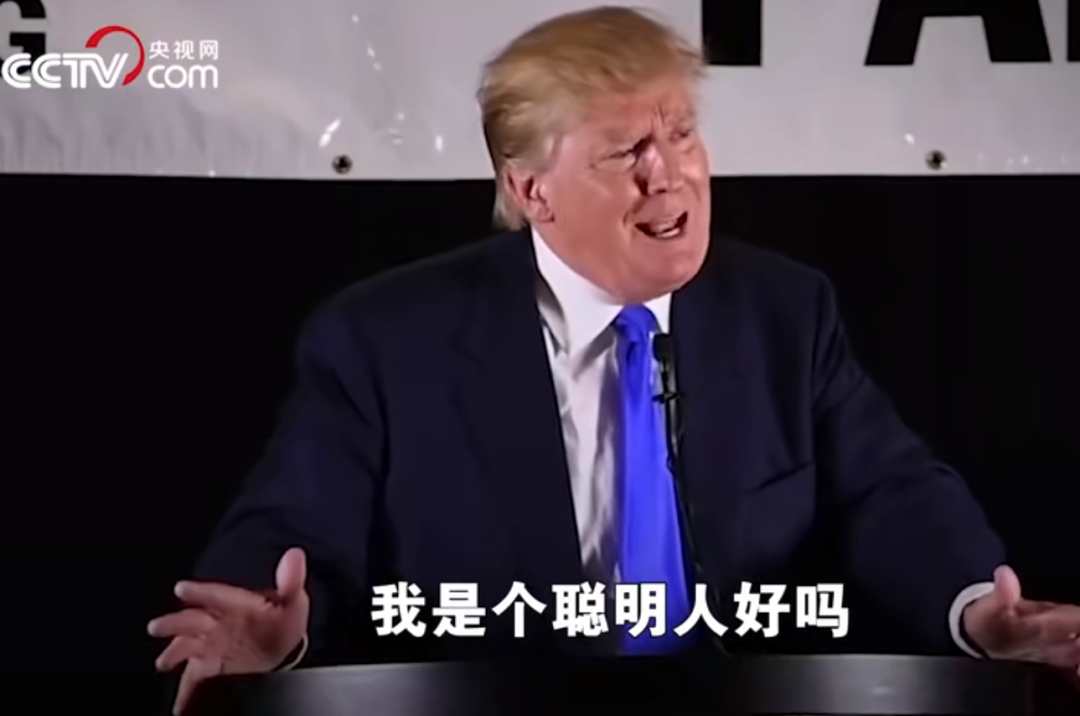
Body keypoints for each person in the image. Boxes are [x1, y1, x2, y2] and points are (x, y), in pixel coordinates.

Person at [148, 6, 1080, 714]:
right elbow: (293, 524)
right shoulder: (385, 339)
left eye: (679, 134)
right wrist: (267, 627)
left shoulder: (783, 313)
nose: (667, 172)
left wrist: (976, 610)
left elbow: (892, 491)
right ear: (532, 191)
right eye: (625, 150)